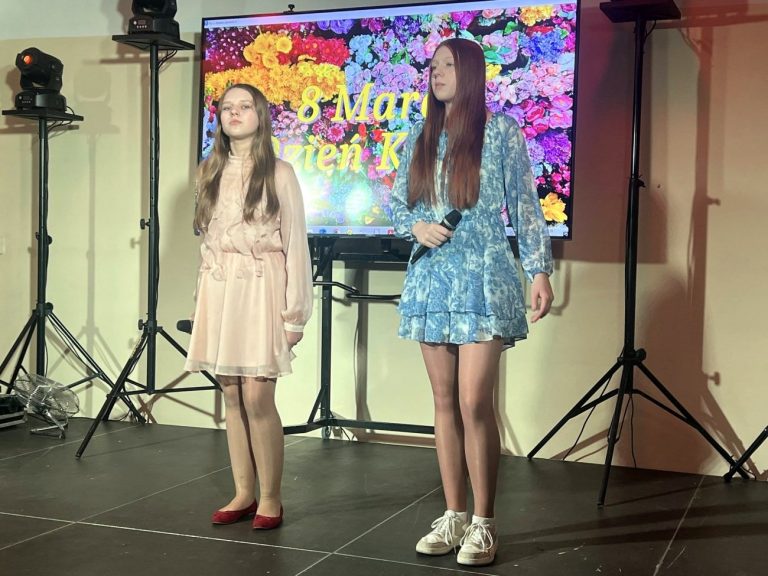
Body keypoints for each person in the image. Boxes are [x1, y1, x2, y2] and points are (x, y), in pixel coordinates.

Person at [390, 38, 554, 566]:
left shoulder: (501, 131)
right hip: (432, 280)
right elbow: (396, 204)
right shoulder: (419, 136)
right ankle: (454, 513)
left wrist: (539, 270)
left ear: (472, 73)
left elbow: (525, 205)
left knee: (473, 401)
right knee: (443, 402)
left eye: (448, 65)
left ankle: (484, 521)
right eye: (432, 65)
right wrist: (415, 226)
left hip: (484, 277)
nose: (436, 73)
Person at [185, 83, 313, 530]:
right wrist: (202, 304)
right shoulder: (209, 171)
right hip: (221, 289)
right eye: (227, 107)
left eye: (244, 106)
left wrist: (295, 315)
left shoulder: (279, 173)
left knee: (258, 396)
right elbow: (208, 245)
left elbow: (296, 247)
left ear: (260, 116)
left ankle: (271, 497)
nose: (234, 113)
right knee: (231, 393)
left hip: (261, 289)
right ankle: (243, 491)